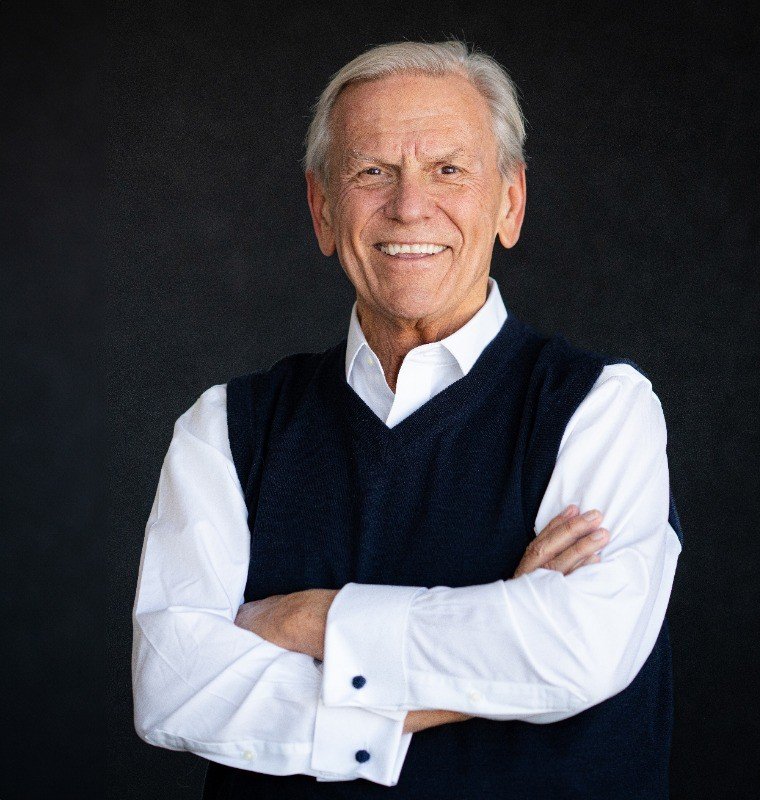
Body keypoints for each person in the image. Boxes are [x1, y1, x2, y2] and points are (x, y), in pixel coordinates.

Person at [132, 40, 683, 799]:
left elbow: (576, 654)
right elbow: (174, 689)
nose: (409, 206)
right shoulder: (225, 428)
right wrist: (496, 637)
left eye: (449, 169)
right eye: (371, 172)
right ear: (323, 211)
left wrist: (317, 621)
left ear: (510, 204)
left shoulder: (601, 408)